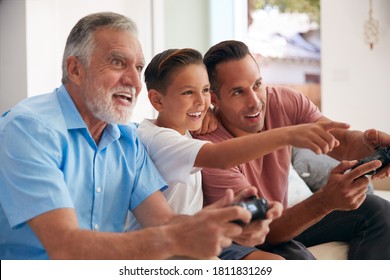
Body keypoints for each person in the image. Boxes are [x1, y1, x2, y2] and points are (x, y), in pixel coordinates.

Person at [0, 12, 267, 260]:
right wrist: (174, 238)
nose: (135, 81)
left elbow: (163, 221)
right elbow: (65, 246)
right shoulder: (29, 129)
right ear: (75, 70)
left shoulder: (128, 141)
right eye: (118, 62)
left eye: (138, 68)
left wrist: (222, 223)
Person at [127, 48, 350, 260]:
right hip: (166, 244)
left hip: (196, 233)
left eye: (205, 91)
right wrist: (288, 135)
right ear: (157, 100)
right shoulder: (158, 139)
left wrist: (210, 114)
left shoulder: (184, 130)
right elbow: (219, 156)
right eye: (188, 92)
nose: (201, 101)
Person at [195, 40, 390, 260]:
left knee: (378, 210)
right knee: (298, 260)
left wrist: (370, 144)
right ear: (214, 99)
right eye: (238, 92)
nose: (255, 102)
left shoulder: (283, 101)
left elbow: (340, 141)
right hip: (245, 236)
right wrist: (325, 200)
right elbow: (262, 233)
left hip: (282, 220)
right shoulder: (211, 150)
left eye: (257, 85)